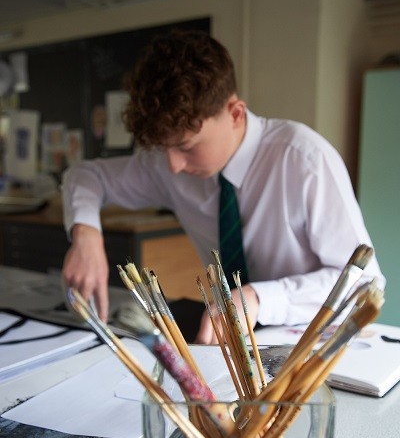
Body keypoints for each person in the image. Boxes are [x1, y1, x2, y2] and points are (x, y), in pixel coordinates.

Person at [62, 29, 384, 344]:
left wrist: (260, 299)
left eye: (187, 146)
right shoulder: (168, 164)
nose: (174, 165)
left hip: (310, 351)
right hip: (225, 349)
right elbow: (86, 176)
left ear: (235, 113)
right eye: (164, 148)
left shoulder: (305, 160)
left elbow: (365, 284)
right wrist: (86, 233)